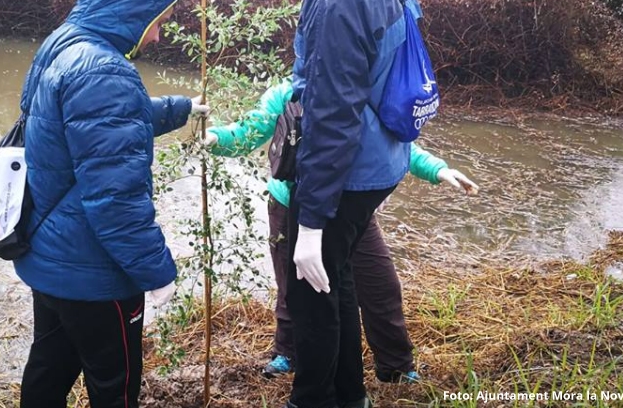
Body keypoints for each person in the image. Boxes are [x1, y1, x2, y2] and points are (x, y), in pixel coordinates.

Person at [12, 0, 207, 408]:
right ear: (131, 10)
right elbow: (115, 200)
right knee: (114, 386)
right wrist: (157, 271)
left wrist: (180, 109)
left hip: (51, 257)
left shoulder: (64, 45)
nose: (156, 35)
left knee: (49, 367)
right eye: (156, 20)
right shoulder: (105, 71)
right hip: (97, 275)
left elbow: (100, 125)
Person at [246, 0, 438, 406]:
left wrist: (310, 221)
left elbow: (331, 112)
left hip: (348, 170)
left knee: (312, 301)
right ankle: (350, 395)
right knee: (336, 282)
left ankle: (311, 399)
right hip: (380, 159)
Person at [205, 80, 478, 383]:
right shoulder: (286, 93)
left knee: (381, 286)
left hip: (348, 208)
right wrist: (213, 138)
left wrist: (438, 170)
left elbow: (396, 145)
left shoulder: (360, 92)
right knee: (292, 286)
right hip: (289, 206)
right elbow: (247, 133)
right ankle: (288, 352)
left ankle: (396, 366)